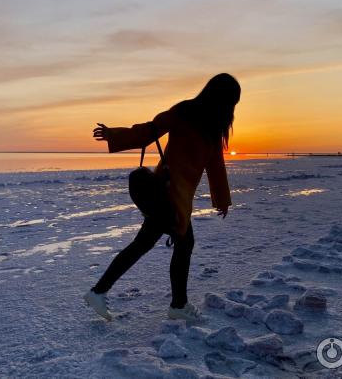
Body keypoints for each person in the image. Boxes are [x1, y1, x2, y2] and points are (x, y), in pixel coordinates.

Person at [84, 73, 241, 322]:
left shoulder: (211, 128)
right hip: (165, 195)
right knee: (180, 244)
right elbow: (150, 130)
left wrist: (222, 199)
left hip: (177, 198)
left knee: (150, 243)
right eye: (232, 103)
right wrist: (114, 134)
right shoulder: (186, 113)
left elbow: (215, 166)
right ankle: (176, 306)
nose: (232, 109)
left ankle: (100, 292)